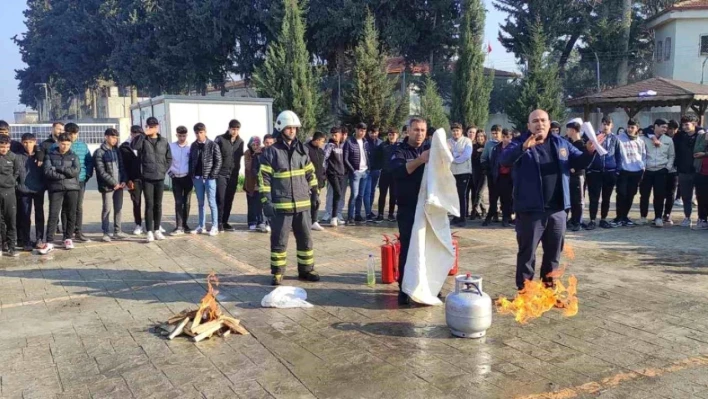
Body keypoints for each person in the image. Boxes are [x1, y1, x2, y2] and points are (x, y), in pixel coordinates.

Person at [499, 109, 597, 291]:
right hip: (530, 211)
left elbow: (579, 162)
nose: (540, 124)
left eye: (543, 120)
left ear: (549, 123)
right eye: (535, 121)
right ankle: (525, 291)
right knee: (527, 254)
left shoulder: (561, 144)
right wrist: (523, 148)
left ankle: (548, 290)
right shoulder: (519, 143)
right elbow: (504, 160)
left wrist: (590, 152)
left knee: (553, 254)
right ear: (529, 125)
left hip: (558, 210)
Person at [259, 110, 320, 286]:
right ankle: (278, 272)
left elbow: (310, 173)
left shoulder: (303, 150)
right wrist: (266, 201)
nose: (292, 131)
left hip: (302, 204)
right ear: (281, 128)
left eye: (294, 128)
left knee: (306, 238)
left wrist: (315, 192)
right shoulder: (271, 152)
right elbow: (264, 179)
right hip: (281, 204)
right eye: (289, 127)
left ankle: (306, 269)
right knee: (279, 239)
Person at [392, 117, 430, 305]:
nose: (420, 133)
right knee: (408, 247)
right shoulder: (399, 150)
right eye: (416, 130)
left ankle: (428, 287)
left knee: (427, 248)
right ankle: (404, 289)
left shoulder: (431, 147)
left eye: (423, 130)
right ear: (408, 131)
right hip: (407, 207)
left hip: (427, 208)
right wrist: (420, 160)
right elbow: (398, 171)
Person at [131, 116, 172, 242]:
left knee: (158, 205)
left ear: (158, 127)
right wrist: (143, 134)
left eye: (154, 126)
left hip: (159, 177)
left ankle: (157, 230)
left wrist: (163, 170)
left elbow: (169, 158)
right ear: (147, 126)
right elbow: (134, 146)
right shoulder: (142, 140)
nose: (152, 128)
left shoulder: (164, 141)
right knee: (149, 204)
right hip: (147, 177)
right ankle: (149, 231)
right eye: (150, 126)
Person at [39, 133, 80, 254]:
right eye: (63, 144)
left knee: (70, 213)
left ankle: (68, 238)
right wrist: (63, 175)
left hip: (72, 188)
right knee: (53, 214)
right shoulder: (50, 155)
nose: (65, 146)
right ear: (58, 142)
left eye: (68, 144)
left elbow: (75, 171)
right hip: (56, 188)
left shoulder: (74, 156)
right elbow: (47, 171)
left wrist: (58, 169)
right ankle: (49, 241)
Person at [585, 116, 621, 230]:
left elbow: (619, 156)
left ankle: (603, 219)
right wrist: (589, 169)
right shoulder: (594, 137)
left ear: (612, 125)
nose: (605, 126)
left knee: (607, 197)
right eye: (603, 124)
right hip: (595, 172)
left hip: (610, 172)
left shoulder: (615, 139)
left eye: (608, 124)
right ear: (600, 125)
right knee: (593, 197)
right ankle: (592, 220)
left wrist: (617, 171)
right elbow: (588, 152)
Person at [60, 123, 93, 242]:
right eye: (70, 133)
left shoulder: (83, 146)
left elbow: (89, 161)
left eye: (75, 133)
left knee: (78, 207)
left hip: (80, 181)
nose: (73, 136)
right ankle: (65, 233)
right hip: (65, 181)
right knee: (65, 207)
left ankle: (78, 231)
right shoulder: (60, 145)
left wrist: (88, 174)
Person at [638, 119, 674, 227]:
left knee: (659, 195)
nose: (665, 129)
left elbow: (671, 155)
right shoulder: (643, 138)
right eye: (663, 127)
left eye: (666, 127)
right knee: (644, 195)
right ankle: (643, 217)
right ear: (655, 126)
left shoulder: (668, 140)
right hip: (647, 171)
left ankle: (658, 217)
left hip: (661, 170)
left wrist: (667, 168)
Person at [93, 128, 127, 241]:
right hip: (108, 186)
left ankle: (118, 231)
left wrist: (123, 180)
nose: (114, 140)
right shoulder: (100, 152)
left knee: (119, 208)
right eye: (112, 137)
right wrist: (113, 183)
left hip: (119, 185)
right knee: (107, 208)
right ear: (106, 137)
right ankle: (106, 232)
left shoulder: (117, 151)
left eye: (116, 138)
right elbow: (101, 171)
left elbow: (122, 167)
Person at [189, 123, 222, 236]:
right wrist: (192, 174)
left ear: (205, 132)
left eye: (201, 132)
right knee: (200, 203)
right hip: (197, 178)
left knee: (212, 203)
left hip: (209, 178)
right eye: (197, 133)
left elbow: (218, 161)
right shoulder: (193, 145)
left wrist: (212, 175)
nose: (199, 135)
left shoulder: (213, 145)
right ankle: (201, 226)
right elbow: (191, 161)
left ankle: (214, 226)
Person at [614, 119, 647, 227]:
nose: (630, 129)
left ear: (637, 128)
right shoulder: (619, 139)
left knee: (631, 194)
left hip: (636, 171)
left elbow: (643, 155)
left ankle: (625, 216)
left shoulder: (641, 141)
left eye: (632, 127)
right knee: (621, 194)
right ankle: (618, 217)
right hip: (623, 171)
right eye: (628, 127)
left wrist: (642, 167)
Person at [16, 133, 45, 251]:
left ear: (35, 142)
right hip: (24, 190)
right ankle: (26, 240)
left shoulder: (40, 156)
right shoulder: (17, 156)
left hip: (38, 189)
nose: (28, 145)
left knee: (39, 215)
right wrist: (17, 185)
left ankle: (39, 239)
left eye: (31, 142)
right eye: (25, 142)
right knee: (25, 215)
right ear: (22, 143)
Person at [214, 119, 244, 232]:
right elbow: (214, 156)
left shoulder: (240, 142)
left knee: (229, 199)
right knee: (220, 199)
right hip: (221, 174)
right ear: (229, 128)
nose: (235, 131)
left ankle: (225, 221)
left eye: (237, 129)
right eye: (233, 129)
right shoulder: (220, 139)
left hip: (233, 175)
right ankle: (218, 222)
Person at [672, 115, 702, 227]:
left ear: (694, 124)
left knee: (701, 197)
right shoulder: (679, 136)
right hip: (683, 171)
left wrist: (701, 130)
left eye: (687, 124)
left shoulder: (702, 136)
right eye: (683, 124)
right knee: (686, 196)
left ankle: (701, 218)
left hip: (699, 171)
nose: (684, 127)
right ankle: (687, 217)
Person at [343, 122, 372, 225]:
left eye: (364, 131)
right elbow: (345, 158)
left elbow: (367, 156)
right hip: (355, 172)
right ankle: (350, 217)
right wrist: (353, 170)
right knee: (354, 195)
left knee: (361, 195)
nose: (362, 132)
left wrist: (368, 168)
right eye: (360, 130)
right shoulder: (349, 142)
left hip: (365, 172)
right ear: (356, 129)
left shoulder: (365, 142)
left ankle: (357, 215)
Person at [121, 126, 145, 235]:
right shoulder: (124, 147)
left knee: (151, 202)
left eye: (139, 134)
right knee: (136, 202)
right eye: (135, 134)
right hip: (133, 179)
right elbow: (123, 166)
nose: (137, 136)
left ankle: (155, 224)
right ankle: (138, 224)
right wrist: (127, 180)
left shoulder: (145, 144)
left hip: (147, 177)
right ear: (131, 134)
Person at [168, 126, 192, 235]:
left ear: (186, 135)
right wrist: (170, 172)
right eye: (180, 135)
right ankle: (178, 226)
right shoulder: (171, 146)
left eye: (184, 136)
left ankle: (185, 224)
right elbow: (166, 160)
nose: (182, 138)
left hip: (187, 177)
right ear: (176, 135)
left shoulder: (191, 147)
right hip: (175, 178)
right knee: (178, 202)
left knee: (186, 202)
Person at [448, 122, 473, 227]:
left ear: (461, 131)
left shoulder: (467, 141)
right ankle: (455, 216)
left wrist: (453, 156)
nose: (455, 133)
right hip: (452, 172)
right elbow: (446, 154)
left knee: (462, 195)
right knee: (453, 195)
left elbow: (466, 155)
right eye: (453, 131)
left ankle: (462, 218)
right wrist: (457, 154)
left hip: (464, 172)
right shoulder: (447, 142)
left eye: (457, 130)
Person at [0, 136, 20, 257]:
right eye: (2, 147)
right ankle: (3, 244)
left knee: (11, 219)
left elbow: (17, 172)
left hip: (9, 191)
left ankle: (12, 246)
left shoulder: (13, 157)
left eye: (7, 147)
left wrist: (11, 181)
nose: (5, 149)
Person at [489, 129, 514, 227]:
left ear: (511, 137)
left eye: (507, 137)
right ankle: (494, 215)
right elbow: (493, 161)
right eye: (503, 137)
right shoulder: (497, 148)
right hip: (499, 175)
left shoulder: (513, 148)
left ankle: (506, 217)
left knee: (507, 198)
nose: (505, 139)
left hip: (510, 176)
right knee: (496, 197)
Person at [565, 120, 587, 231]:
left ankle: (578, 221)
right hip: (570, 176)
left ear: (573, 130)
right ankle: (572, 219)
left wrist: (575, 168)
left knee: (578, 199)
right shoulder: (570, 144)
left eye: (568, 129)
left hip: (578, 176)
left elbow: (584, 161)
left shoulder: (582, 144)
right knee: (571, 199)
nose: (566, 132)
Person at [323, 127, 346, 227]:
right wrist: (324, 172)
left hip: (341, 173)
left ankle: (335, 216)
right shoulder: (330, 146)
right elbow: (324, 158)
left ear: (340, 135)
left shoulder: (341, 146)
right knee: (337, 193)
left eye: (336, 134)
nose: (334, 136)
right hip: (332, 173)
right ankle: (333, 217)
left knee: (339, 195)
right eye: (332, 134)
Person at [481, 126, 502, 226]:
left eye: (497, 133)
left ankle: (505, 215)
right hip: (492, 173)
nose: (495, 135)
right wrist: (486, 168)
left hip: (503, 174)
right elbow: (484, 157)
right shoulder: (489, 144)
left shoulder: (504, 143)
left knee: (504, 196)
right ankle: (492, 214)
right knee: (492, 196)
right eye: (493, 133)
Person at [377, 128, 399, 222]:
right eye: (390, 134)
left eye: (393, 134)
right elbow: (378, 157)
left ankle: (391, 214)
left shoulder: (399, 146)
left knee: (393, 195)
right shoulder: (383, 145)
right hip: (384, 173)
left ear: (397, 135)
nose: (391, 136)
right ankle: (380, 214)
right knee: (382, 194)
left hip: (395, 174)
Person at [306, 131, 327, 231]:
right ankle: (309, 220)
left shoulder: (321, 151)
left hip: (318, 181)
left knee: (316, 202)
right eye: (322, 141)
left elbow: (322, 166)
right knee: (312, 201)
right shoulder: (306, 149)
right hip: (308, 181)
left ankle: (314, 221)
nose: (323, 144)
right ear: (317, 140)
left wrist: (323, 178)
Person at [244, 136, 264, 231]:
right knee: (251, 203)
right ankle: (252, 222)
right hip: (250, 183)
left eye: (257, 144)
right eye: (253, 144)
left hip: (260, 182)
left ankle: (260, 222)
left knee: (260, 204)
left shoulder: (262, 152)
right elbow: (248, 166)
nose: (255, 146)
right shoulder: (247, 153)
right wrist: (254, 156)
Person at [663, 119, 680, 225]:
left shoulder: (680, 138)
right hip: (662, 168)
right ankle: (659, 213)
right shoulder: (661, 137)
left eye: (672, 129)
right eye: (668, 129)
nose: (670, 131)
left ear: (676, 129)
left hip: (674, 170)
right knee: (660, 192)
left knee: (671, 193)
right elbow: (647, 131)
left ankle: (667, 213)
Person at [365, 125, 383, 222]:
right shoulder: (365, 142)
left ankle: (370, 210)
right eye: (372, 132)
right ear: (369, 133)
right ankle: (366, 212)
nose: (373, 134)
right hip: (367, 170)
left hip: (376, 170)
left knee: (372, 192)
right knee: (366, 192)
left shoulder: (381, 143)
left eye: (375, 132)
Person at [692, 130, 708, 229]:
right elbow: (696, 151)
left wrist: (705, 154)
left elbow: (702, 153)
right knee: (701, 198)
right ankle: (702, 220)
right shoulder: (701, 136)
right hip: (701, 172)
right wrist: (706, 140)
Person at [470, 130, 488, 220]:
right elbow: (471, 159)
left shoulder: (487, 147)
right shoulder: (473, 147)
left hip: (484, 172)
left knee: (479, 192)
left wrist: (484, 150)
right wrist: (477, 151)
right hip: (475, 171)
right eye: (478, 136)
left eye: (482, 136)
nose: (480, 138)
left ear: (485, 137)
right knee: (478, 192)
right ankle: (484, 209)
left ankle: (474, 210)